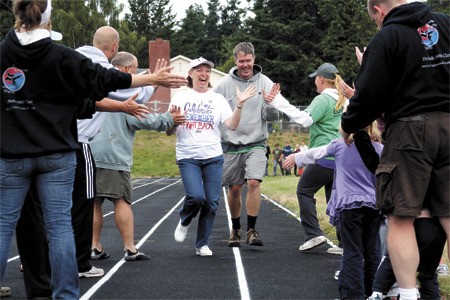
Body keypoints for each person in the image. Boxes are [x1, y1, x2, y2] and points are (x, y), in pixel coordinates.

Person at [0, 0, 187, 296]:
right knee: (61, 227)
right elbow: (106, 78)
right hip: (56, 154)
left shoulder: (4, 52)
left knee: (3, 226)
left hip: (11, 155)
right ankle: (65, 294)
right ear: (48, 19)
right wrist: (149, 78)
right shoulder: (61, 56)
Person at [340, 1, 449, 299]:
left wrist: (349, 123)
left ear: (378, 10)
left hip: (410, 130)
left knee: (400, 217)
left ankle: (409, 295)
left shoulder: (387, 37)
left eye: (374, 19)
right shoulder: (446, 24)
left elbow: (369, 95)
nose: (376, 24)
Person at [89, 51, 186, 261]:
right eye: (135, 70)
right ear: (126, 70)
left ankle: (94, 246)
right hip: (113, 156)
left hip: (89, 154)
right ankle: (130, 248)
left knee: (93, 203)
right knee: (121, 200)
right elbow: (141, 118)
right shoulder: (122, 89)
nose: (136, 75)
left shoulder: (95, 81)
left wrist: (154, 83)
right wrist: (169, 118)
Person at [284, 123, 384, 299]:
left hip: (349, 205)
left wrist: (297, 157)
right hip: (374, 205)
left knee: (352, 251)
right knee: (372, 250)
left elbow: (316, 153)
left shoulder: (340, 145)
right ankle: (373, 292)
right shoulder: (380, 149)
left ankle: (352, 295)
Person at [169, 57, 256, 256]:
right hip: (188, 156)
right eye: (199, 70)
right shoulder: (180, 97)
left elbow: (232, 125)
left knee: (212, 202)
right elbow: (169, 130)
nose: (204, 74)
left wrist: (240, 104)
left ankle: (202, 244)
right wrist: (173, 122)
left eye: (207, 70)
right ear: (190, 74)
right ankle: (185, 220)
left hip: (213, 157)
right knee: (196, 197)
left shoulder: (217, 99)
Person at [268, 63, 347, 251]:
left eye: (315, 79)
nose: (314, 83)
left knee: (304, 190)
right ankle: (345, 243)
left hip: (324, 155)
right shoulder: (344, 99)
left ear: (321, 79)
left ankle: (314, 234)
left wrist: (278, 101)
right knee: (335, 200)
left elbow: (304, 119)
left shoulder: (323, 99)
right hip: (342, 156)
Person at [213, 42, 281, 247]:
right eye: (241, 61)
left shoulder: (264, 82)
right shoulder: (225, 84)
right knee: (234, 188)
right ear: (235, 61)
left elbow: (274, 116)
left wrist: (269, 104)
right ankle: (236, 229)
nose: (245, 65)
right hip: (231, 144)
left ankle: (252, 229)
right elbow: (213, 107)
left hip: (256, 142)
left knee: (253, 182)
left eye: (248, 61)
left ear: (254, 59)